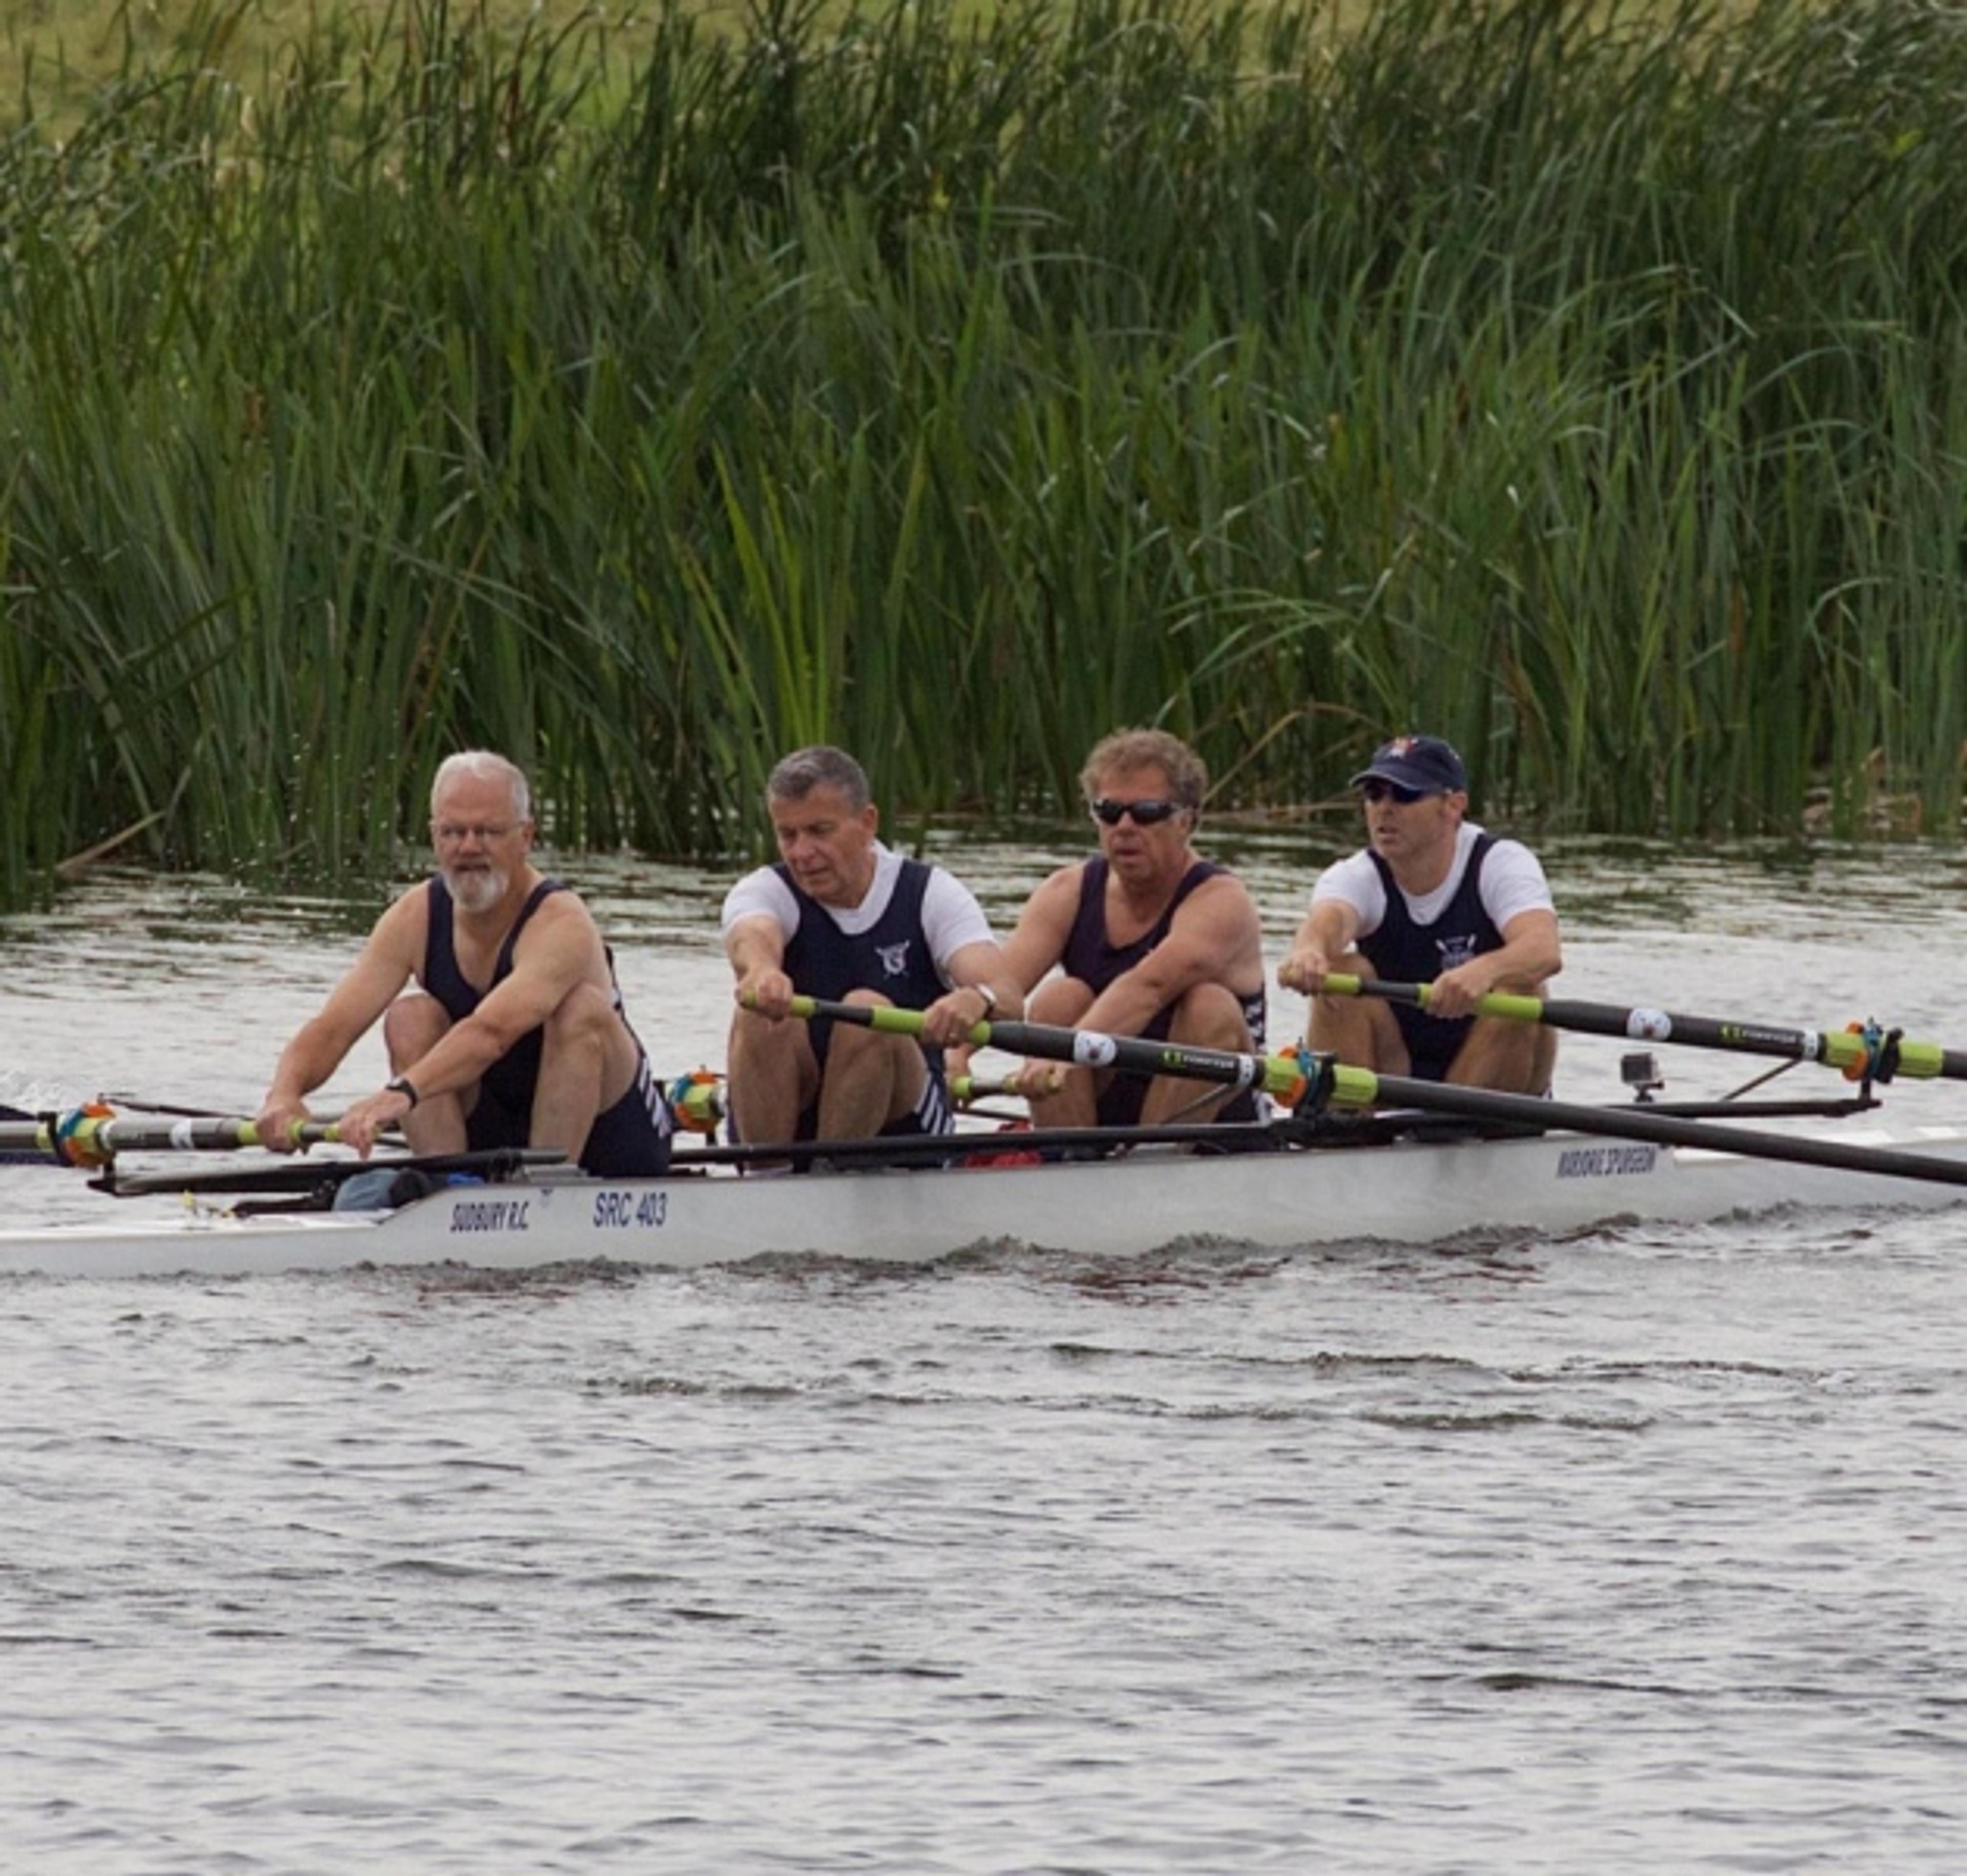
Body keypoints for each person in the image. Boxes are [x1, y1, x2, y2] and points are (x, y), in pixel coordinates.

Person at [255, 750, 672, 1174]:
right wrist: (284, 1094)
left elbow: (492, 1033)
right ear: (435, 836)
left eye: (488, 831)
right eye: (453, 832)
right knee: (409, 1017)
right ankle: (451, 1187)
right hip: (493, 1121)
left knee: (580, 1009)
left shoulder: (562, 922)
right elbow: (333, 1027)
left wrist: (401, 1094)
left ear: (525, 837)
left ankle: (547, 1191)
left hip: (614, 1137)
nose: (469, 847)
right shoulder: (414, 916)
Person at [721, 745, 1020, 1157]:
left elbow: (1007, 994)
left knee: (866, 1010)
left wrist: (977, 998)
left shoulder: (930, 893)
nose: (801, 854)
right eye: (787, 835)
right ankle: (765, 1178)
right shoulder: (765, 889)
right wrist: (761, 972)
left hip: (905, 1121)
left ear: (867, 823)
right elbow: (751, 935)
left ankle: (829, 1179)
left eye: (819, 831)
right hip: (795, 1107)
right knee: (758, 1014)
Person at [992, 728, 1268, 1129]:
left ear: (1186, 821)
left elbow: (1149, 985)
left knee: (1209, 1006)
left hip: (1215, 1116)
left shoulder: (1222, 901)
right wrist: (954, 1055)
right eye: (1108, 811)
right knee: (1059, 1000)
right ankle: (1067, 1160)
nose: (1124, 826)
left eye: (1146, 813)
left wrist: (1065, 1054)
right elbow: (999, 989)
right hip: (1104, 1097)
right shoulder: (1065, 892)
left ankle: (1154, 1161)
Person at [1278, 733, 1561, 1093]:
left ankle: (1466, 1123)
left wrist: (1482, 971)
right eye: (1374, 794)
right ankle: (1349, 1125)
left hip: (1496, 1075)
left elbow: (1543, 949)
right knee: (1340, 970)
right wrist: (1309, 953)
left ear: (1453, 806)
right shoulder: (1356, 875)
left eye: (1405, 794)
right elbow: (1326, 923)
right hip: (1397, 1065)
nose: (1385, 808)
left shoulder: (1500, 863)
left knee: (1520, 988)